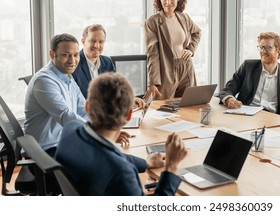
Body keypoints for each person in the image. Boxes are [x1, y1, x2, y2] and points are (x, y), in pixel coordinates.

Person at [55, 72, 188, 196]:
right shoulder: (121, 173)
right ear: (129, 115)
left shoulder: (70, 130)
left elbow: (108, 156)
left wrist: (145, 163)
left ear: (87, 107)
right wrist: (171, 167)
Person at [24, 33, 89, 156]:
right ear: (52, 54)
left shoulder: (67, 77)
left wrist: (106, 128)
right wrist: (99, 134)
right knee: (103, 166)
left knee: (114, 157)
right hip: (44, 154)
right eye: (66, 55)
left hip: (64, 144)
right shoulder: (44, 80)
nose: (72, 60)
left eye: (76, 55)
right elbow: (66, 116)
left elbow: (84, 110)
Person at [219, 32, 280, 119]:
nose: (263, 51)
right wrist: (229, 99)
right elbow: (227, 90)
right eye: (261, 47)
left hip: (274, 119)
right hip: (245, 117)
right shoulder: (248, 67)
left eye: (268, 47)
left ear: (278, 49)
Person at [144, 0, 201, 100]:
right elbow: (152, 53)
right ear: (159, 0)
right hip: (167, 71)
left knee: (190, 106)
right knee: (163, 109)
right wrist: (152, 82)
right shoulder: (152, 22)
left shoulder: (184, 18)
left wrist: (190, 49)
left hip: (186, 67)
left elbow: (197, 32)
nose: (168, 2)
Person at [72, 24, 115, 99]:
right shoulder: (73, 63)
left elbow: (115, 90)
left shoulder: (107, 62)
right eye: (92, 41)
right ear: (83, 41)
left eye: (101, 41)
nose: (97, 45)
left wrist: (129, 100)